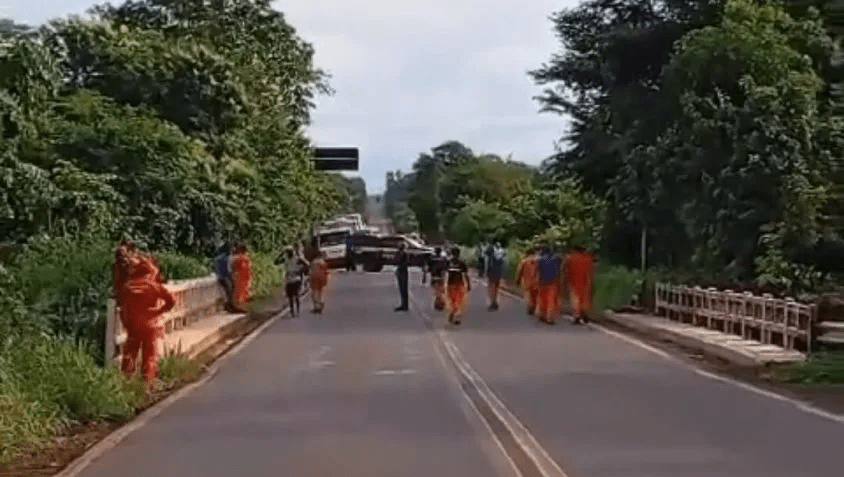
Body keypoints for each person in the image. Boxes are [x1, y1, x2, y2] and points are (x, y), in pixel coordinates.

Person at [120, 256, 176, 390]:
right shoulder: (153, 286)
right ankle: (147, 386)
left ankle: (125, 384)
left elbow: (123, 308)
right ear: (150, 272)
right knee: (150, 357)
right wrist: (160, 310)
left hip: (134, 325)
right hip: (151, 326)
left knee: (130, 355)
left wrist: (126, 323)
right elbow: (171, 301)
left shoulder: (127, 286)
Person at [563, 245, 596, 324]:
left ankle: (577, 316)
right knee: (585, 299)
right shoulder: (588, 258)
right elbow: (592, 270)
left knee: (575, 299)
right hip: (586, 281)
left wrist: (564, 281)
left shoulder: (570, 258)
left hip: (574, 281)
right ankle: (584, 314)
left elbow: (565, 269)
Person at [536, 245, 562, 324]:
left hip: (543, 281)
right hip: (553, 281)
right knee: (551, 299)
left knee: (543, 298)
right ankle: (550, 317)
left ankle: (542, 315)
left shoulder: (541, 259)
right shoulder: (555, 259)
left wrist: (538, 280)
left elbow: (538, 270)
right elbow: (558, 270)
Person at [445, 247, 471, 325]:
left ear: (452, 253)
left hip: (451, 284)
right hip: (459, 284)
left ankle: (456, 316)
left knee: (453, 300)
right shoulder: (461, 263)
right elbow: (466, 275)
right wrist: (469, 284)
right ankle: (454, 314)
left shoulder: (448, 262)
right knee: (458, 301)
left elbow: (444, 273)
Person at [515, 246, 540, 315]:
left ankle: (531, 306)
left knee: (529, 296)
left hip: (527, 282)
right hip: (536, 281)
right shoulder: (538, 260)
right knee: (535, 295)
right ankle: (534, 307)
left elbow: (519, 272)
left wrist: (518, 280)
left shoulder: (524, 261)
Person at [284, 248, 309, 317]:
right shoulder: (287, 260)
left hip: (295, 280)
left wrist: (301, 270)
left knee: (294, 296)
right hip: (290, 280)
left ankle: (296, 312)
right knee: (292, 297)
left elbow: (307, 264)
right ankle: (294, 312)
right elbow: (307, 264)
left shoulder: (297, 259)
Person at [423, 246, 448, 310]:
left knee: (436, 291)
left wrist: (424, 277)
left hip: (434, 277)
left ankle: (438, 303)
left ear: (435, 252)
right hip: (441, 277)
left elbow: (427, 268)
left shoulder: (431, 258)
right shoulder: (444, 259)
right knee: (441, 290)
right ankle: (441, 303)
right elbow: (446, 268)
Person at [230, 243, 252, 312]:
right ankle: (240, 308)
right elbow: (235, 268)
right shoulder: (240, 258)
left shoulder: (242, 258)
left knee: (243, 293)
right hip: (240, 278)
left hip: (243, 278)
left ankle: (241, 308)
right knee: (240, 294)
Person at [485, 241, 505, 311]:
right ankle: (495, 302)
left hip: (492, 274)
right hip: (498, 274)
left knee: (491, 288)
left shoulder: (490, 258)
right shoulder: (500, 257)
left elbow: (488, 266)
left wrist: (486, 273)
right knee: (496, 288)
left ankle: (493, 303)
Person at [214, 244, 233, 311]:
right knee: (228, 291)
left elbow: (215, 269)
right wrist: (231, 278)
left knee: (224, 292)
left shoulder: (217, 258)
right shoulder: (227, 258)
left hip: (219, 277)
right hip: (225, 276)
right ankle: (228, 306)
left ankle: (227, 305)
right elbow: (229, 269)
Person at [394, 241, 410, 311]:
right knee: (401, 289)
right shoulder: (397, 253)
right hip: (399, 271)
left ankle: (405, 305)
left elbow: (406, 263)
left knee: (404, 289)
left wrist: (400, 267)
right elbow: (395, 261)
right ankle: (403, 304)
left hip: (403, 272)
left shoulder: (405, 254)